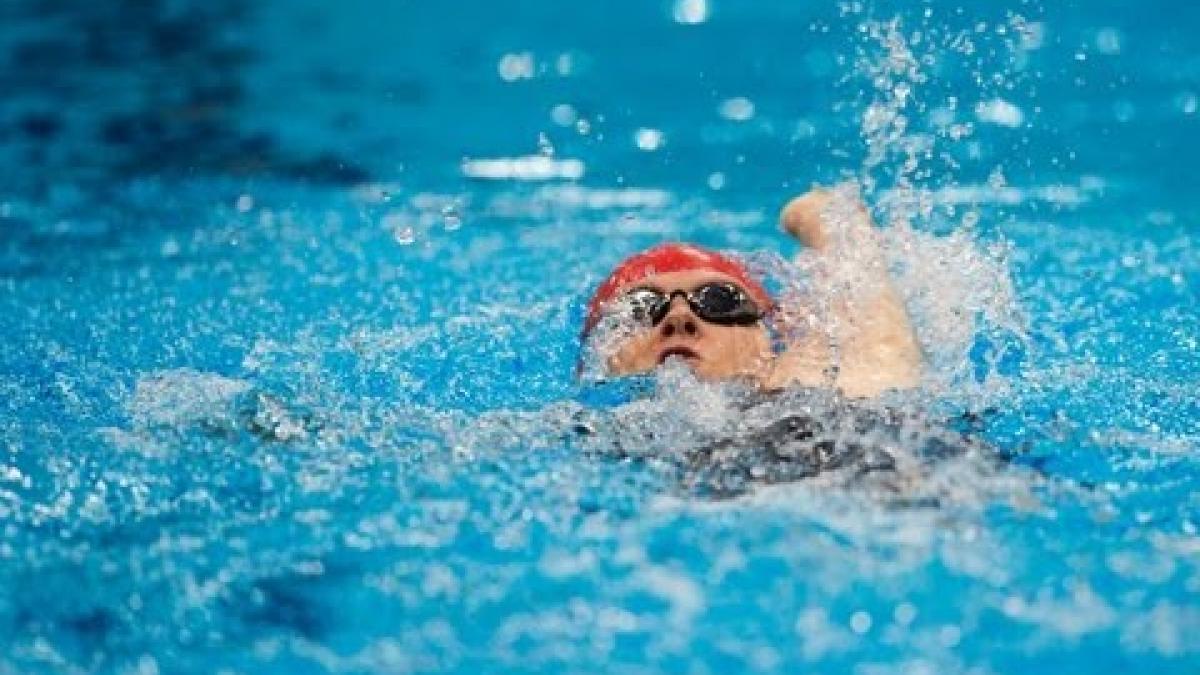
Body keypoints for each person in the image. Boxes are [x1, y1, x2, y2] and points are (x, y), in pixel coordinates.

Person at [581, 186, 922, 399]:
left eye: (719, 300)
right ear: (598, 361)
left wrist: (816, 216)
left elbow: (867, 316)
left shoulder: (815, 401)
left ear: (769, 344)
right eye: (638, 309)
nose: (679, 317)